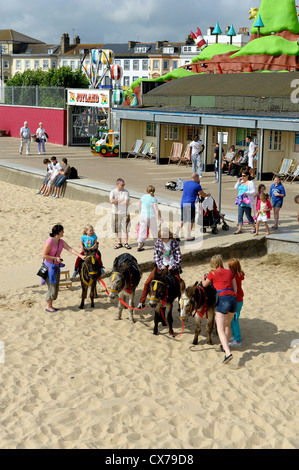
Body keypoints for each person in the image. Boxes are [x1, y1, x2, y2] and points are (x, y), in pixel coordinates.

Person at [201, 254, 237, 364]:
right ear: (221, 262)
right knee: (227, 325)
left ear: (213, 264)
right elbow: (235, 290)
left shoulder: (212, 273)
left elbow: (205, 285)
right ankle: (224, 345)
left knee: (220, 329)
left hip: (222, 299)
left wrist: (203, 278)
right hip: (233, 300)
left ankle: (228, 353)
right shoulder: (230, 272)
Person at [42, 224, 85, 312]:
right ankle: (48, 306)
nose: (63, 232)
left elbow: (70, 249)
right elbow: (44, 255)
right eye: (62, 231)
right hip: (49, 268)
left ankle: (50, 305)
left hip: (56, 267)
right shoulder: (49, 242)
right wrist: (55, 258)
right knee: (52, 287)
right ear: (58, 232)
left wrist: (80, 256)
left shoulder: (61, 242)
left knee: (55, 287)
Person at [137, 227, 182, 309]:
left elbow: (178, 257)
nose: (163, 239)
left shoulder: (174, 243)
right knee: (147, 282)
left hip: (172, 267)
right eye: (162, 237)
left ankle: (180, 305)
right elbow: (156, 256)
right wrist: (161, 265)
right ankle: (142, 301)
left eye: (165, 237)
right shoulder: (158, 242)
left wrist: (173, 266)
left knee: (179, 284)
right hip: (161, 266)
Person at [176, 173, 211, 241]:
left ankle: (176, 234)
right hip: (190, 204)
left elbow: (189, 191)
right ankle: (188, 236)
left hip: (183, 203)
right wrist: (207, 195)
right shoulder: (197, 185)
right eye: (198, 178)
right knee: (190, 221)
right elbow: (202, 194)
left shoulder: (185, 183)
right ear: (196, 178)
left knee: (182, 220)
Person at [137, 185, 162, 252]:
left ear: (147, 190)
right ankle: (157, 245)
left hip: (143, 216)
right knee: (154, 231)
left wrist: (140, 212)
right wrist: (160, 217)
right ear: (154, 191)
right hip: (151, 216)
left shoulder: (143, 197)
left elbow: (138, 205)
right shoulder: (153, 198)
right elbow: (156, 209)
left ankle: (139, 246)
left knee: (142, 231)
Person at [110, 178, 131, 249]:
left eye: (124, 185)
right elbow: (111, 201)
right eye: (122, 185)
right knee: (117, 228)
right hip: (116, 212)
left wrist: (117, 201)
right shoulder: (113, 192)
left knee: (126, 228)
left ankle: (126, 243)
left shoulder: (126, 192)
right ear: (117, 184)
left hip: (125, 212)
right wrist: (121, 200)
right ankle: (119, 243)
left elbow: (126, 202)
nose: (123, 186)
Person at [228, 258, 244, 347]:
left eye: (229, 267)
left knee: (234, 320)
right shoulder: (239, 275)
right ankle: (234, 336)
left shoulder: (235, 277)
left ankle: (237, 340)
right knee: (232, 319)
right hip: (239, 300)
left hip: (236, 301)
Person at [234, 170, 256, 234]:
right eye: (242, 175)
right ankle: (240, 228)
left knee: (248, 215)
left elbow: (254, 191)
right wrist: (238, 181)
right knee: (240, 215)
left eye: (244, 176)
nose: (242, 177)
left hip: (247, 201)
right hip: (240, 201)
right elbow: (235, 187)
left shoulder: (251, 182)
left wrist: (247, 192)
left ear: (247, 176)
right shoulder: (241, 182)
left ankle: (253, 227)